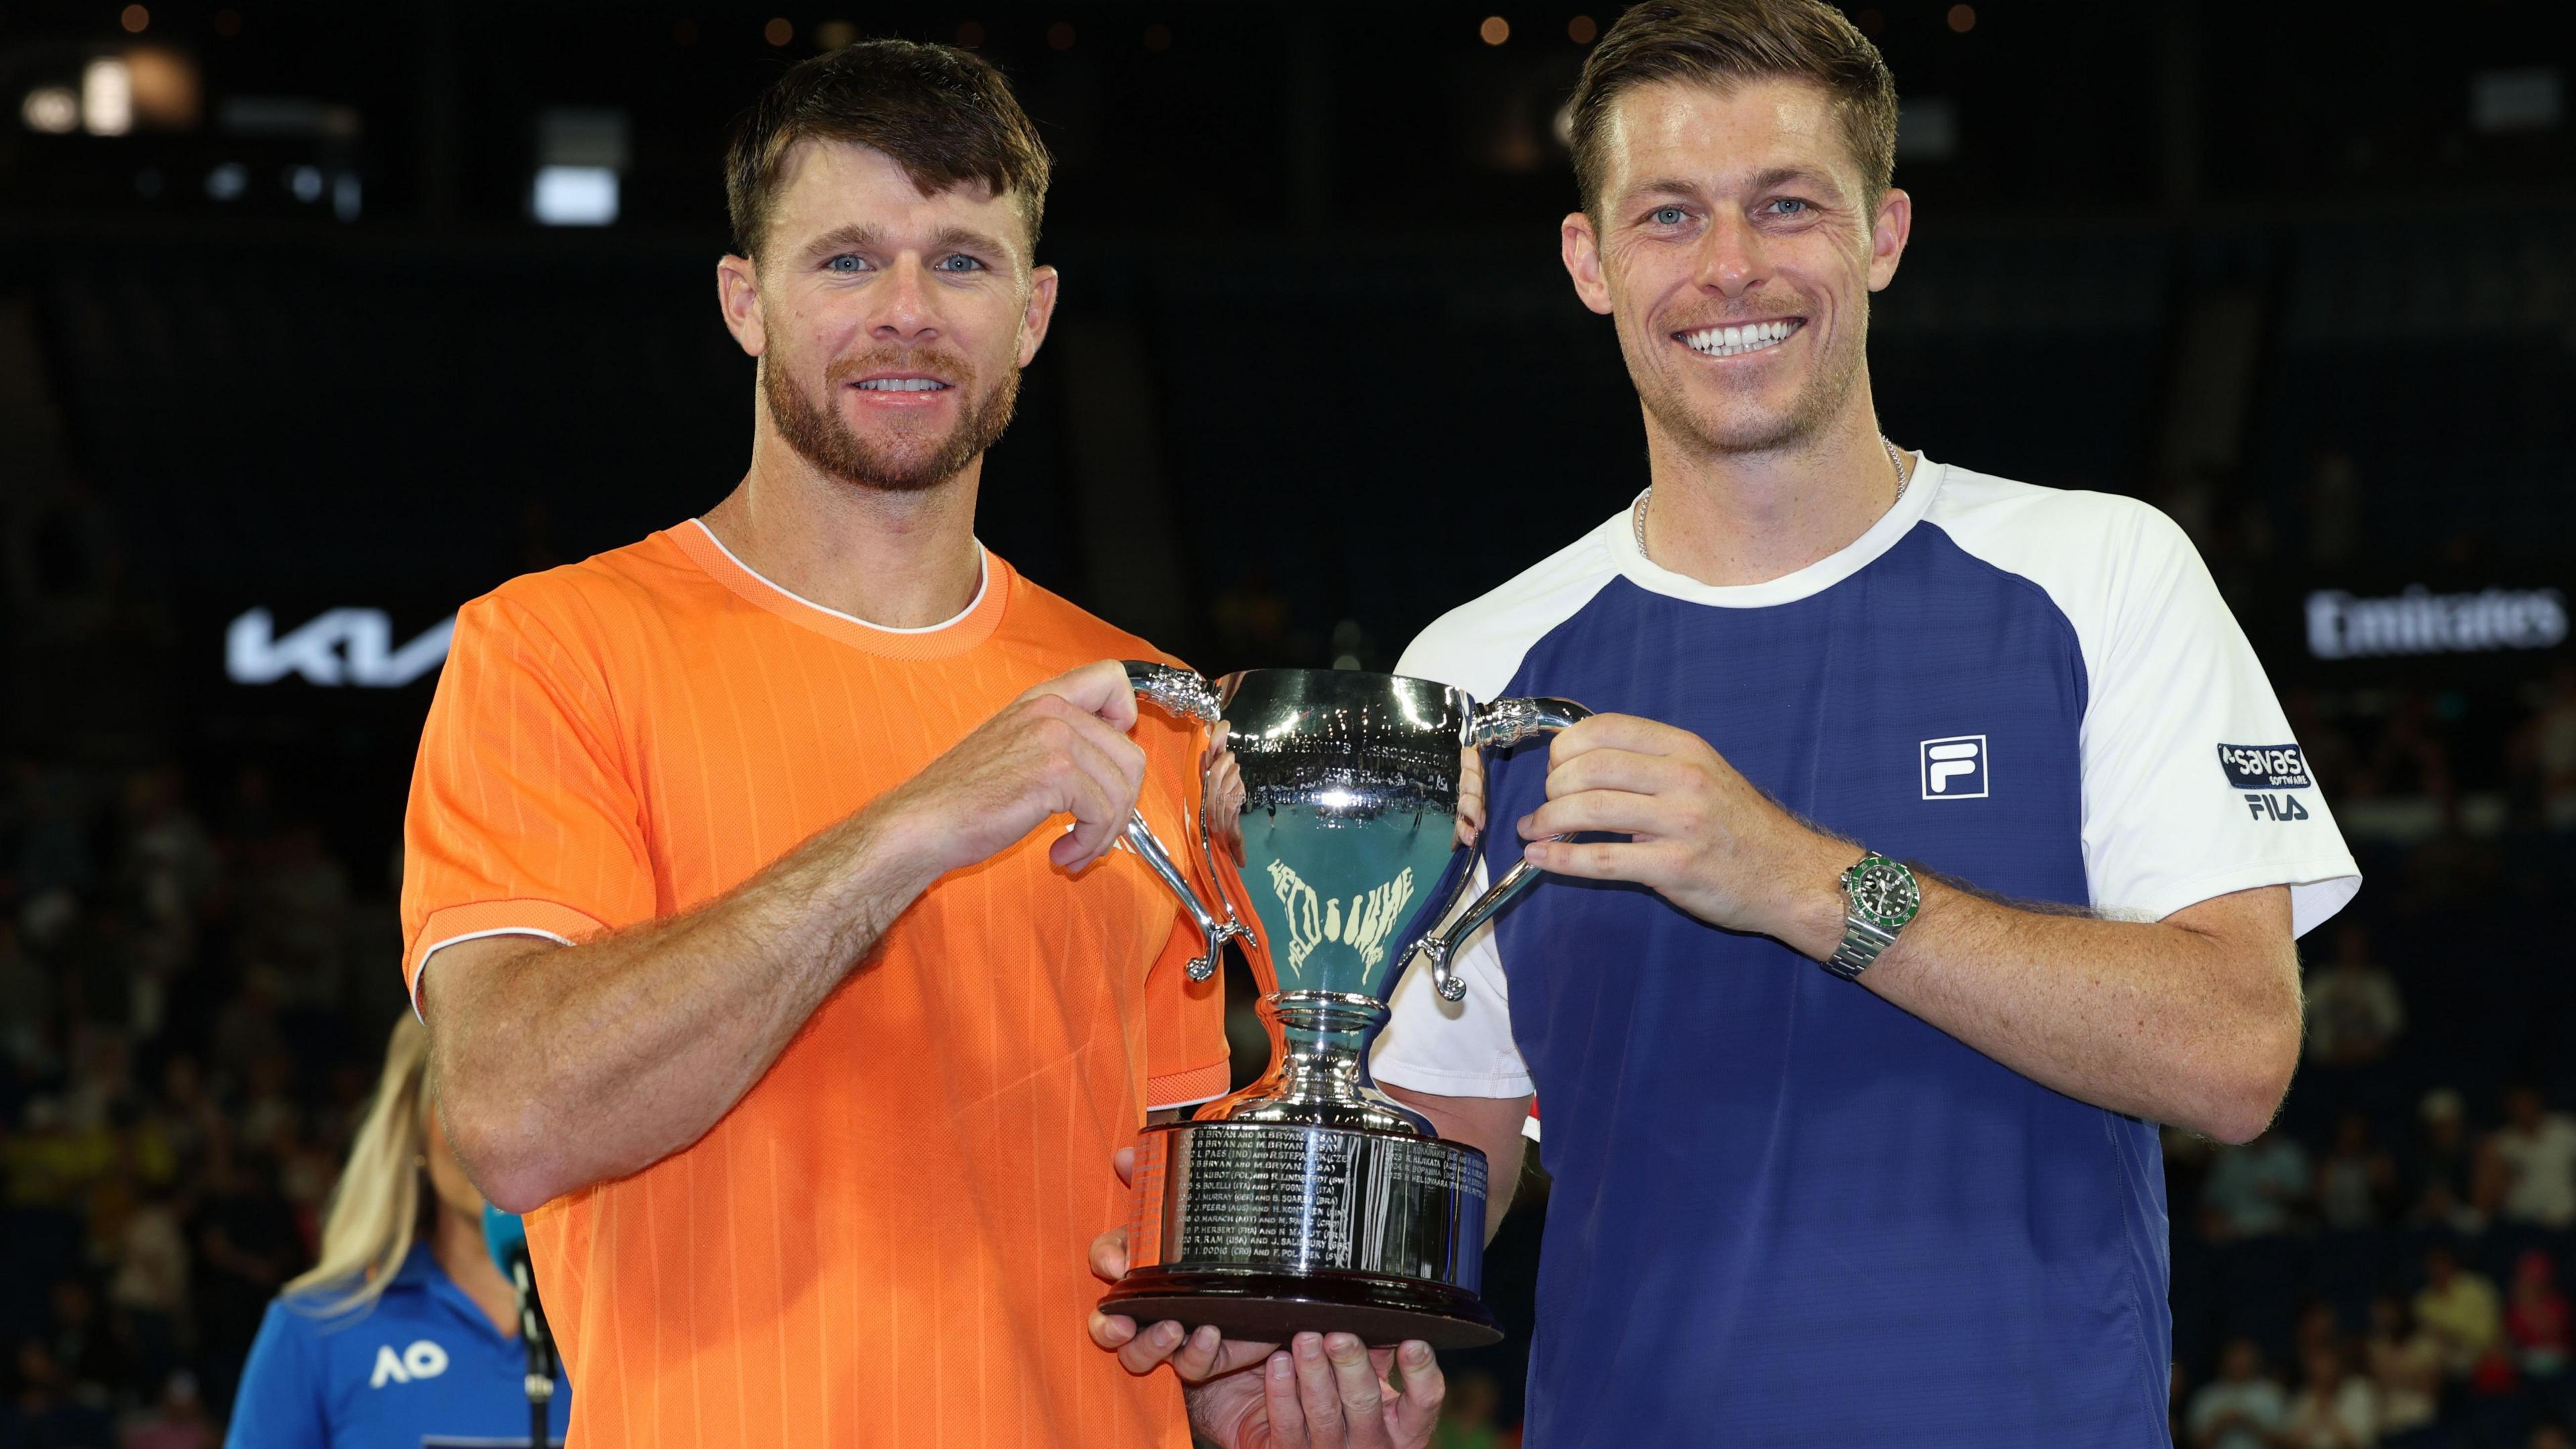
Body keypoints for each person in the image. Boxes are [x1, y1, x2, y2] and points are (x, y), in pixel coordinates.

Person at [1339, 1, 2357, 1442]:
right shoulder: (1477, 667)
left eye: (1788, 206)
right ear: (1591, 260)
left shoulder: (2099, 574)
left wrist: (1801, 882)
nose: (1731, 267)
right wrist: (1324, 1317)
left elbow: (2236, 1049)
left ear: (1883, 233)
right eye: (1671, 216)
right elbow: (1456, 1129)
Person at [402, 40, 1437, 1449]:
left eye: (960, 262)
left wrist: (1240, 1383)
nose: (907, 313)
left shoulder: (1151, 714)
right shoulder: (555, 648)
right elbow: (513, 1116)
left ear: (1034, 310)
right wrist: (907, 829)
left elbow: (1146, 1253)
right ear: (742, 301)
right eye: (845, 261)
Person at [226, 1014, 570, 1446]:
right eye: (476, 1091)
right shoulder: (319, 1327)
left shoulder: (637, 1325)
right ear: (415, 1128)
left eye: (537, 1092)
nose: (505, 1133)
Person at [2187, 1339, 2288, 1449]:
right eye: (2235, 1357)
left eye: (2244, 1357)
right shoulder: (2207, 1396)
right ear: (2224, 1360)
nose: (2239, 1362)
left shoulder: (2271, 1393)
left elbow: (2285, 1442)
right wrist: (2221, 1424)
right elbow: (2194, 1443)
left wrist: (2249, 1423)